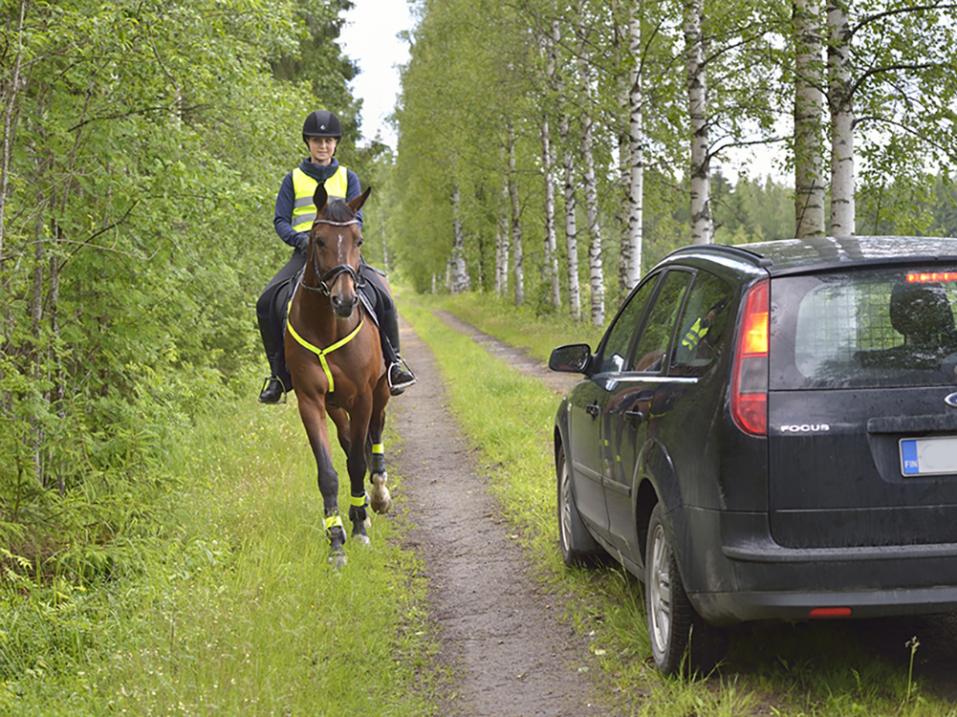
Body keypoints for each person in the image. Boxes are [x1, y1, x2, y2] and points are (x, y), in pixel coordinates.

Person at [256, 109, 415, 403]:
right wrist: (301, 240)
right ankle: (278, 375)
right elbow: (280, 220)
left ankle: (393, 363)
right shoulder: (292, 179)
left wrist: (346, 243)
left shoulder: (348, 177)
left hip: (343, 256)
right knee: (267, 301)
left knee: (382, 295)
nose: (323, 146)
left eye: (328, 141)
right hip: (305, 253)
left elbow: (358, 217)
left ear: (335, 144)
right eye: (317, 140)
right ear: (308, 143)